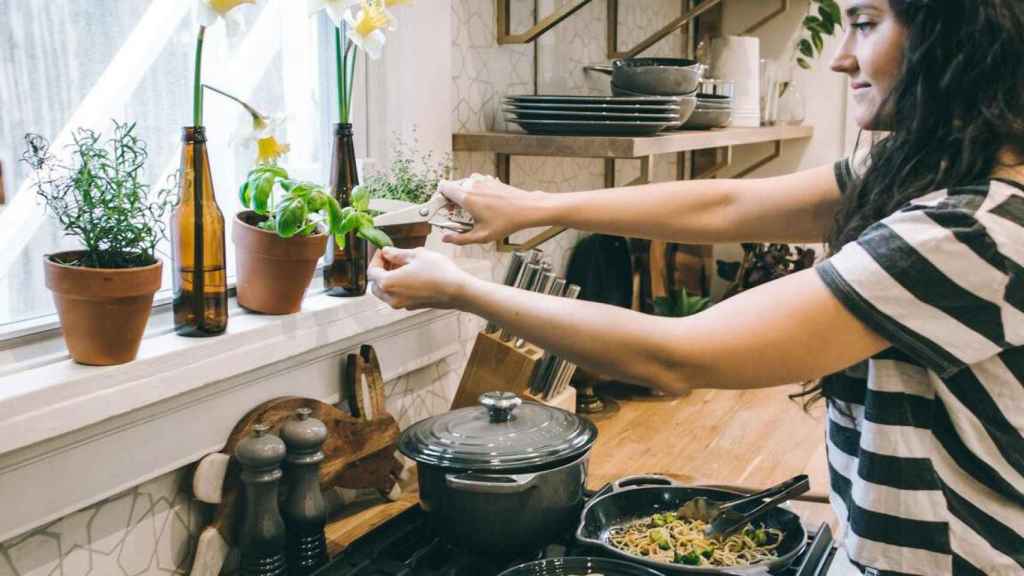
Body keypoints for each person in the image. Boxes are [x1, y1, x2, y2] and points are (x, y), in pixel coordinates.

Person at [369, 0, 1024, 573]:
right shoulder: (927, 168)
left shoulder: (966, 231)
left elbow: (677, 355)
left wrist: (462, 291)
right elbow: (729, 208)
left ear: (956, 34)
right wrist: (533, 205)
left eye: (864, 23)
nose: (842, 58)